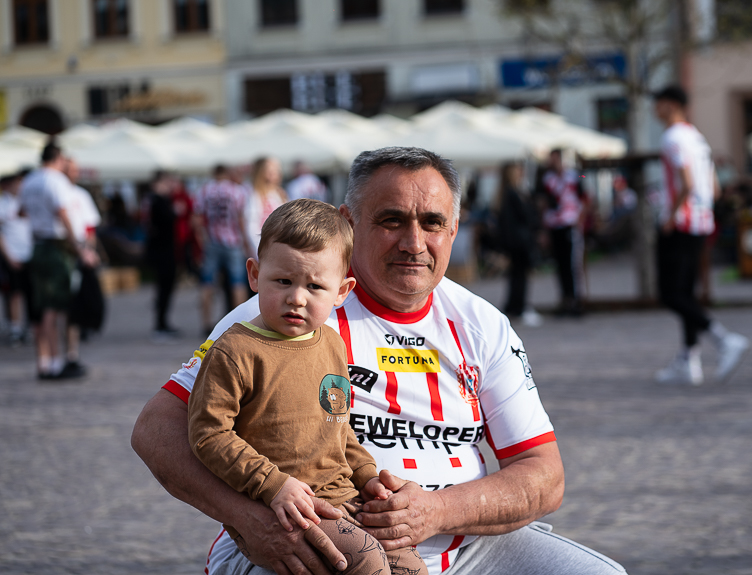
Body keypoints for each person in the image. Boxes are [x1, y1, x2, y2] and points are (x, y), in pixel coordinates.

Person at [132, 146, 626, 575]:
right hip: (308, 543)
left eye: (432, 223)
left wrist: (435, 510)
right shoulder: (286, 312)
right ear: (348, 223)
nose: (414, 242)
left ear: (455, 228)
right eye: (392, 220)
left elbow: (544, 474)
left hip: (469, 548)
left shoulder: (484, 325)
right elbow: (157, 428)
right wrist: (250, 520)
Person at [187, 199, 427, 575]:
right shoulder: (235, 349)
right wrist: (272, 484)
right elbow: (208, 434)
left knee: (412, 566)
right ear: (254, 274)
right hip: (287, 507)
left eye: (315, 286)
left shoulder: (332, 344)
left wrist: (368, 477)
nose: (296, 297)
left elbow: (337, 426)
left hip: (345, 497)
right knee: (368, 564)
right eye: (283, 281)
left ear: (342, 291)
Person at [653, 85, 750, 385]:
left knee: (670, 294)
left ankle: (723, 339)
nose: (655, 111)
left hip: (681, 224)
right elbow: (714, 186)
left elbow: (686, 182)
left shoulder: (673, 137)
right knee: (685, 292)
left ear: (669, 105)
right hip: (700, 222)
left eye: (657, 105)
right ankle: (689, 358)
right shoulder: (697, 137)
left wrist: (670, 217)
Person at [19, 142, 98, 379]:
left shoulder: (30, 180)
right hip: (56, 246)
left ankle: (46, 361)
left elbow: (21, 212)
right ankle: (56, 362)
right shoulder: (54, 180)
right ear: (57, 158)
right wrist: (79, 247)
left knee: (44, 304)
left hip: (37, 244)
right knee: (56, 306)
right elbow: (62, 212)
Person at [194, 165, 254, 335]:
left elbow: (197, 219)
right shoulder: (237, 191)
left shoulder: (204, 190)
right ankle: (239, 323)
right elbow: (241, 218)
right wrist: (245, 242)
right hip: (233, 241)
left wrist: (202, 239)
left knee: (206, 284)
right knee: (237, 282)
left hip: (212, 241)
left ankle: (205, 323)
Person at [63, 158, 104, 376]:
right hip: (65, 253)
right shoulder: (58, 193)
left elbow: (89, 228)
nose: (75, 174)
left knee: (76, 307)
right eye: (71, 170)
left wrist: (89, 251)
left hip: (80, 256)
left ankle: (71, 353)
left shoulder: (81, 195)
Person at [540, 149, 585, 316]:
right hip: (554, 224)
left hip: (569, 224)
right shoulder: (547, 179)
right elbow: (544, 202)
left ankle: (575, 299)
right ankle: (565, 299)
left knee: (572, 264)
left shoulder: (575, 176)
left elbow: (585, 194)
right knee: (560, 265)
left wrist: (580, 218)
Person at [496, 161, 542, 327]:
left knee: (516, 276)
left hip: (516, 242)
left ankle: (514, 307)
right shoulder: (512, 194)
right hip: (518, 243)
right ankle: (519, 308)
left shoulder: (509, 193)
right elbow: (518, 219)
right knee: (520, 277)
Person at [145, 171, 180, 340]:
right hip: (162, 252)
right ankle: (160, 325)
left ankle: (163, 323)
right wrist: (176, 211)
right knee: (163, 288)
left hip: (164, 250)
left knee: (166, 288)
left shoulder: (157, 200)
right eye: (167, 182)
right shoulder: (157, 201)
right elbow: (166, 219)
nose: (170, 186)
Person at [0, 171, 33, 347]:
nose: (19, 187)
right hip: (12, 256)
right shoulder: (2, 204)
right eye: (16, 183)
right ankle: (15, 329)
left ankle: (28, 326)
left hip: (28, 254)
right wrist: (9, 257)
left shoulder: (24, 202)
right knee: (14, 293)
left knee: (29, 292)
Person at [245, 157, 287, 256]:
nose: (275, 173)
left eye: (276, 170)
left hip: (277, 244)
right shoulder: (252, 193)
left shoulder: (279, 193)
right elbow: (251, 227)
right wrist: (257, 251)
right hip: (260, 246)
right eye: (271, 170)